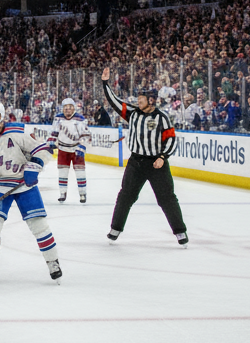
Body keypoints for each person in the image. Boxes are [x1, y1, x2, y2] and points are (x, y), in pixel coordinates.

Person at [0, 99, 59, 283]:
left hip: (23, 185)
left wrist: (35, 166)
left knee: (39, 224)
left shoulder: (18, 131)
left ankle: (52, 262)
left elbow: (43, 150)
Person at [101, 68, 187, 245]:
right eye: (138, 99)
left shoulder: (162, 118)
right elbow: (114, 101)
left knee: (167, 198)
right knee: (125, 196)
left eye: (142, 99)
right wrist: (105, 83)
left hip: (157, 163)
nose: (138, 101)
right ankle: (115, 229)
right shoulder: (132, 113)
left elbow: (171, 139)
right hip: (136, 163)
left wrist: (162, 157)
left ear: (151, 100)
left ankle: (180, 232)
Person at [51, 97, 91, 203]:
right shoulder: (58, 118)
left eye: (70, 107)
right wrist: (51, 141)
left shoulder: (80, 119)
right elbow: (54, 132)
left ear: (74, 108)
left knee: (80, 173)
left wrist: (82, 146)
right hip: (63, 149)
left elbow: (86, 135)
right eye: (65, 107)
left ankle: (82, 194)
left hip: (76, 149)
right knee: (62, 173)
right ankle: (62, 193)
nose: (67, 109)